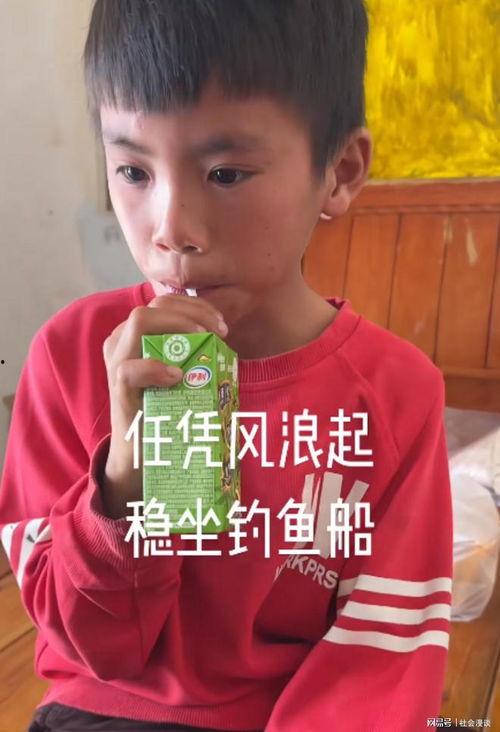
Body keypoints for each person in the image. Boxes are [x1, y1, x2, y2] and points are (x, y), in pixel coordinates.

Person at [0, 1, 453, 730]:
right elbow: (88, 646)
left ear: (339, 171)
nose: (171, 229)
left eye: (226, 173)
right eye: (132, 170)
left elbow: (379, 670)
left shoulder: (396, 396)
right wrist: (124, 488)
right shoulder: (70, 357)